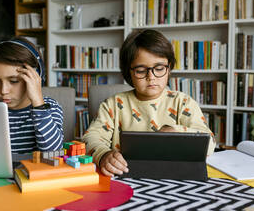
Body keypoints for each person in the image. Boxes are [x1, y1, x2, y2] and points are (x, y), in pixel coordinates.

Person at [82, 29, 216, 177]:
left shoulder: (183, 102)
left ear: (169, 68)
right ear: (129, 72)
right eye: (140, 70)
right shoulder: (113, 105)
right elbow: (90, 137)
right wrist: (103, 155)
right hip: (126, 175)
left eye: (159, 68)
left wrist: (177, 132)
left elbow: (209, 141)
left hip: (175, 177)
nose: (151, 77)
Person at [0, 36, 64, 154]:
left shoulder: (50, 107)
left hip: (33, 172)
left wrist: (38, 105)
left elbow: (53, 152)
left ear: (35, 77)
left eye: (14, 81)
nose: (3, 90)